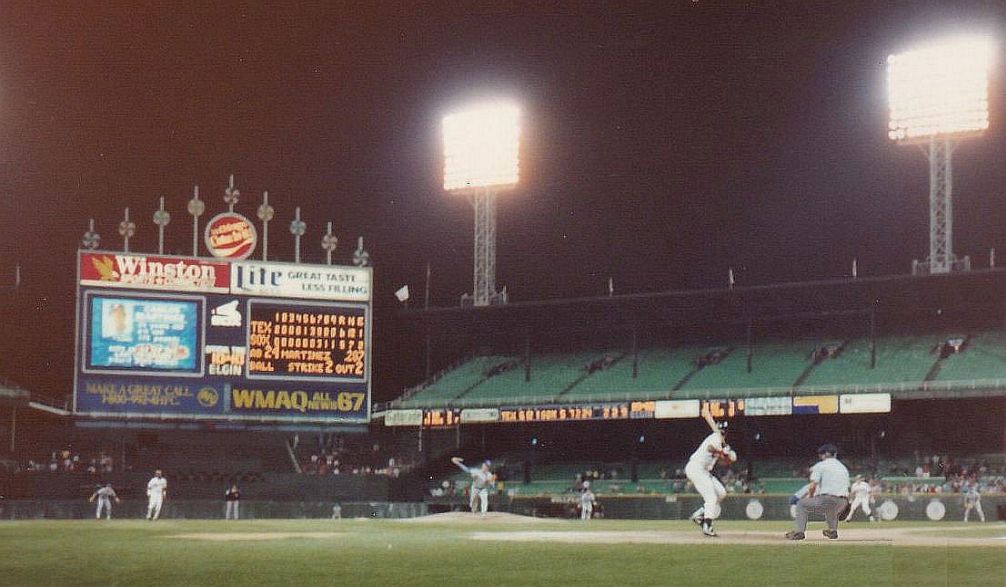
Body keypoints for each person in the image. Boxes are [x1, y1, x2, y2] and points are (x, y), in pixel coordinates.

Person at [685, 406, 737, 537]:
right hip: (696, 468)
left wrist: (727, 457)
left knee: (721, 493)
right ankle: (707, 526)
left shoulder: (722, 442)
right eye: (722, 431)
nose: (722, 433)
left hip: (704, 471)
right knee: (711, 497)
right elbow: (709, 448)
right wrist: (722, 452)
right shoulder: (715, 437)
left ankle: (700, 515)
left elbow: (724, 461)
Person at [786, 444, 850, 541]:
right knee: (831, 509)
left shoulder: (821, 465)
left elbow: (813, 485)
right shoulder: (843, 468)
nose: (820, 456)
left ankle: (799, 532)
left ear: (825, 454)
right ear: (835, 454)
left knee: (801, 504)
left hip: (828, 499)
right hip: (843, 502)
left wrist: (811, 496)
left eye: (821, 454)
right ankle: (832, 531)